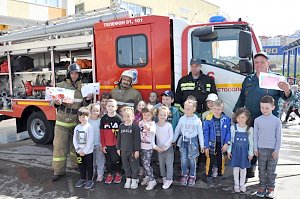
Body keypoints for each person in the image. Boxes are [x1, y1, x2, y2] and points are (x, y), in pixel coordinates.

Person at [234, 51, 292, 178]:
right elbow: (242, 99)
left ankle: (268, 172)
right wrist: (235, 115)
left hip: (269, 121)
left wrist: (287, 90)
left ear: (268, 63)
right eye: (256, 62)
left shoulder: (277, 79)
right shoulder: (248, 79)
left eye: (262, 62)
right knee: (252, 143)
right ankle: (251, 166)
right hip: (252, 118)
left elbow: (287, 98)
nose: (259, 64)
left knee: (267, 144)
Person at [52, 63, 93, 181]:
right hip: (62, 122)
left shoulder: (83, 87)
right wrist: (57, 101)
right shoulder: (61, 85)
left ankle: (76, 166)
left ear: (79, 74)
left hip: (76, 122)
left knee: (76, 146)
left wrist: (87, 100)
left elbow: (84, 105)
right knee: (59, 146)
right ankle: (58, 171)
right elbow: (53, 103)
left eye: (76, 73)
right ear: (68, 74)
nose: (74, 75)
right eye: (72, 73)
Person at [254, 96, 282, 198]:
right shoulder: (257, 120)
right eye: (262, 107)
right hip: (261, 149)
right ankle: (262, 186)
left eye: (267, 108)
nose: (264, 110)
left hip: (273, 150)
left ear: (273, 107)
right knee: (261, 169)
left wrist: (277, 150)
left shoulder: (276, 121)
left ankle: (271, 188)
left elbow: (279, 137)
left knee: (271, 170)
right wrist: (255, 148)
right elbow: (255, 136)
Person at [173, 99, 205, 186]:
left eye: (188, 109)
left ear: (194, 109)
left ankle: (192, 175)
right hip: (183, 141)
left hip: (193, 142)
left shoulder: (197, 120)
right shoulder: (182, 119)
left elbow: (200, 134)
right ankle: (184, 174)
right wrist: (173, 140)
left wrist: (202, 145)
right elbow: (177, 130)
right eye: (185, 108)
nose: (186, 111)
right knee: (183, 159)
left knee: (192, 159)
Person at [203, 99, 231, 183]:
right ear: (211, 108)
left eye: (218, 109)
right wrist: (206, 146)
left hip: (221, 144)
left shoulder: (226, 119)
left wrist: (226, 143)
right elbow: (205, 133)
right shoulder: (208, 119)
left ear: (222, 110)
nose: (216, 111)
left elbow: (228, 132)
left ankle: (220, 174)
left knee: (220, 160)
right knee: (210, 160)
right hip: (211, 144)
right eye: (214, 108)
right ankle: (208, 175)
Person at [227, 108, 254, 193]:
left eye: (243, 117)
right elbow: (231, 140)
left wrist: (250, 153)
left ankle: (242, 184)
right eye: (238, 117)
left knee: (243, 169)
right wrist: (229, 151)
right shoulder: (233, 127)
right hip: (235, 151)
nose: (240, 119)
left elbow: (251, 143)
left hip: (244, 152)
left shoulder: (249, 129)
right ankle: (236, 184)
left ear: (247, 118)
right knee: (236, 168)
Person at [117, 107, 141, 189]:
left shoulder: (135, 127)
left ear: (132, 117)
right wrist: (118, 148)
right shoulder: (121, 126)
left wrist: (137, 150)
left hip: (132, 151)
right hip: (123, 150)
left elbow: (137, 140)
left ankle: (134, 179)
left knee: (134, 166)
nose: (126, 118)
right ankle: (128, 179)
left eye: (128, 116)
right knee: (126, 166)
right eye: (124, 116)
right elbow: (119, 138)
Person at [100, 99, 123, 184]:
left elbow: (121, 134)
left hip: (116, 145)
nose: (110, 107)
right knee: (108, 161)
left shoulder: (119, 119)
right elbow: (101, 133)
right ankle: (109, 174)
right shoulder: (103, 119)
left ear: (116, 107)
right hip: (107, 145)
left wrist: (119, 146)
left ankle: (118, 173)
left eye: (112, 106)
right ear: (106, 107)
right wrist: (103, 145)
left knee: (116, 160)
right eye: (109, 106)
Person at [73, 107, 94, 189]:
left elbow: (90, 140)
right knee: (81, 165)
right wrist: (78, 150)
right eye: (80, 117)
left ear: (88, 117)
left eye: (84, 117)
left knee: (89, 166)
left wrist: (85, 151)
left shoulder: (89, 127)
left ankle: (89, 180)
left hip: (88, 152)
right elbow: (74, 139)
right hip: (79, 152)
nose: (82, 118)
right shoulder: (77, 127)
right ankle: (82, 178)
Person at [153, 106, 174, 189]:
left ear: (167, 116)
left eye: (164, 115)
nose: (162, 116)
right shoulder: (155, 125)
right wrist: (157, 147)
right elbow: (152, 137)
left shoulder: (169, 125)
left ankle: (169, 178)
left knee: (169, 164)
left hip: (168, 148)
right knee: (161, 164)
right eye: (161, 114)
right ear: (157, 115)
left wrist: (165, 146)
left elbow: (171, 137)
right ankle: (164, 177)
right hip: (159, 148)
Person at [139, 105, 157, 190]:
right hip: (141, 146)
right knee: (143, 163)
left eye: (148, 115)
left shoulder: (152, 123)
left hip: (148, 147)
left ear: (152, 115)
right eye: (144, 114)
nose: (146, 116)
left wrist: (148, 128)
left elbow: (153, 131)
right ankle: (147, 176)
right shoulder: (140, 122)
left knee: (147, 164)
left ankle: (152, 180)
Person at [88, 103, 105, 182]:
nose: (95, 112)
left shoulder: (101, 121)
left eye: (97, 111)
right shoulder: (87, 120)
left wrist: (102, 143)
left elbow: (103, 133)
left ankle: (100, 174)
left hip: (99, 144)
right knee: (92, 160)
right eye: (93, 110)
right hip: (90, 145)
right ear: (90, 111)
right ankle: (92, 173)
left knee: (100, 159)